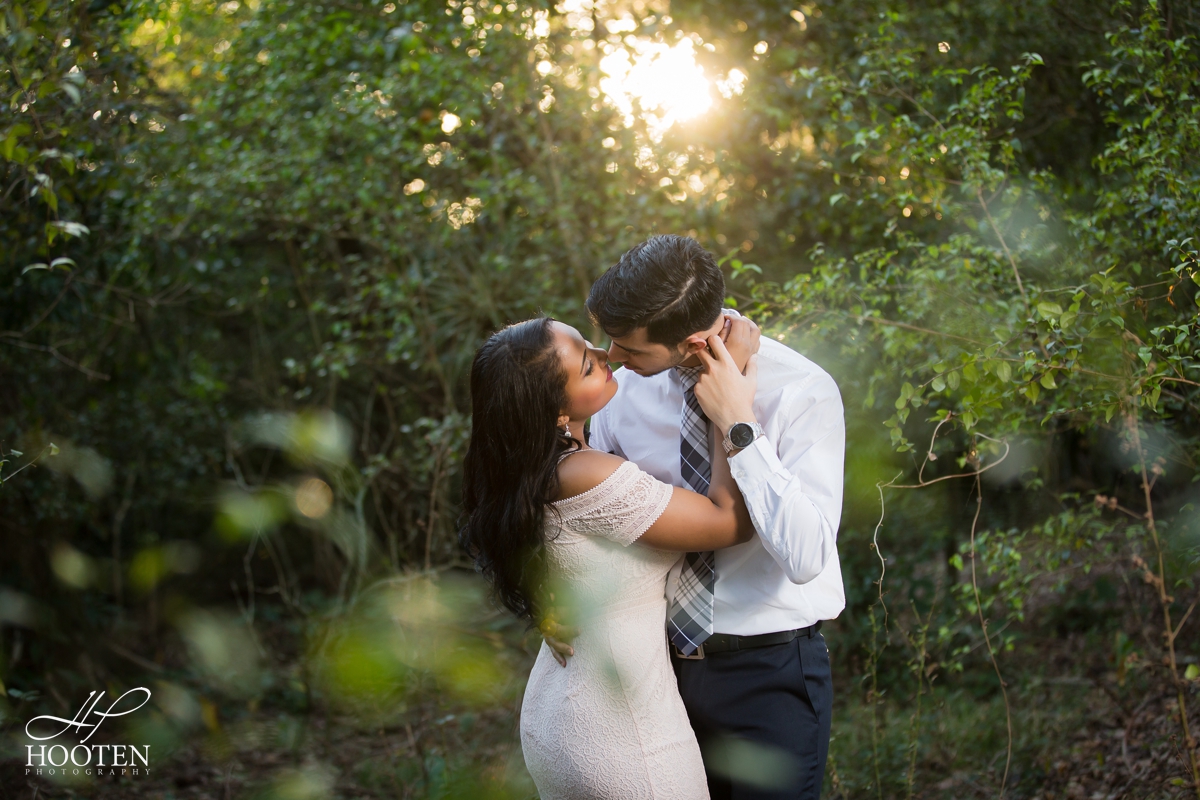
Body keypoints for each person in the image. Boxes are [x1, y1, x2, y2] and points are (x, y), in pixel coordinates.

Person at [578, 234, 846, 800]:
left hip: (767, 675)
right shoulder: (621, 393)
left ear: (692, 340)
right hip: (652, 672)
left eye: (628, 346)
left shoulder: (801, 391)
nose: (612, 357)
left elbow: (806, 558)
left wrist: (739, 425)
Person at [459, 314, 761, 800]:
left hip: (558, 716)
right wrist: (732, 399)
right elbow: (729, 522)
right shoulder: (585, 473)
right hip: (624, 738)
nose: (606, 356)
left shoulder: (525, 474)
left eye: (589, 345)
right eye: (586, 366)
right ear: (556, 410)